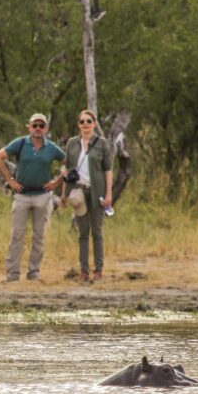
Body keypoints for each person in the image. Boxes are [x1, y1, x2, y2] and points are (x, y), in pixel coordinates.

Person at [0, 113, 65, 282]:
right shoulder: (21, 143)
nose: (38, 129)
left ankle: (33, 273)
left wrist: (57, 181)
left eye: (41, 125)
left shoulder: (52, 147)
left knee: (39, 236)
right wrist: (10, 180)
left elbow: (67, 161)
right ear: (29, 127)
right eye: (35, 125)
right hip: (22, 195)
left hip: (43, 196)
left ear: (46, 128)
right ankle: (12, 274)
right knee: (17, 235)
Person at [60, 109, 113, 282]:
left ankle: (98, 270)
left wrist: (108, 194)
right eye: (82, 121)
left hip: (97, 192)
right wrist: (64, 194)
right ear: (79, 124)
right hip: (78, 193)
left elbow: (108, 170)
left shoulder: (103, 144)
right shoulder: (72, 143)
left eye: (88, 121)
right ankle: (84, 271)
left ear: (94, 123)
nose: (85, 124)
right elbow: (67, 170)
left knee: (97, 231)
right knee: (82, 232)